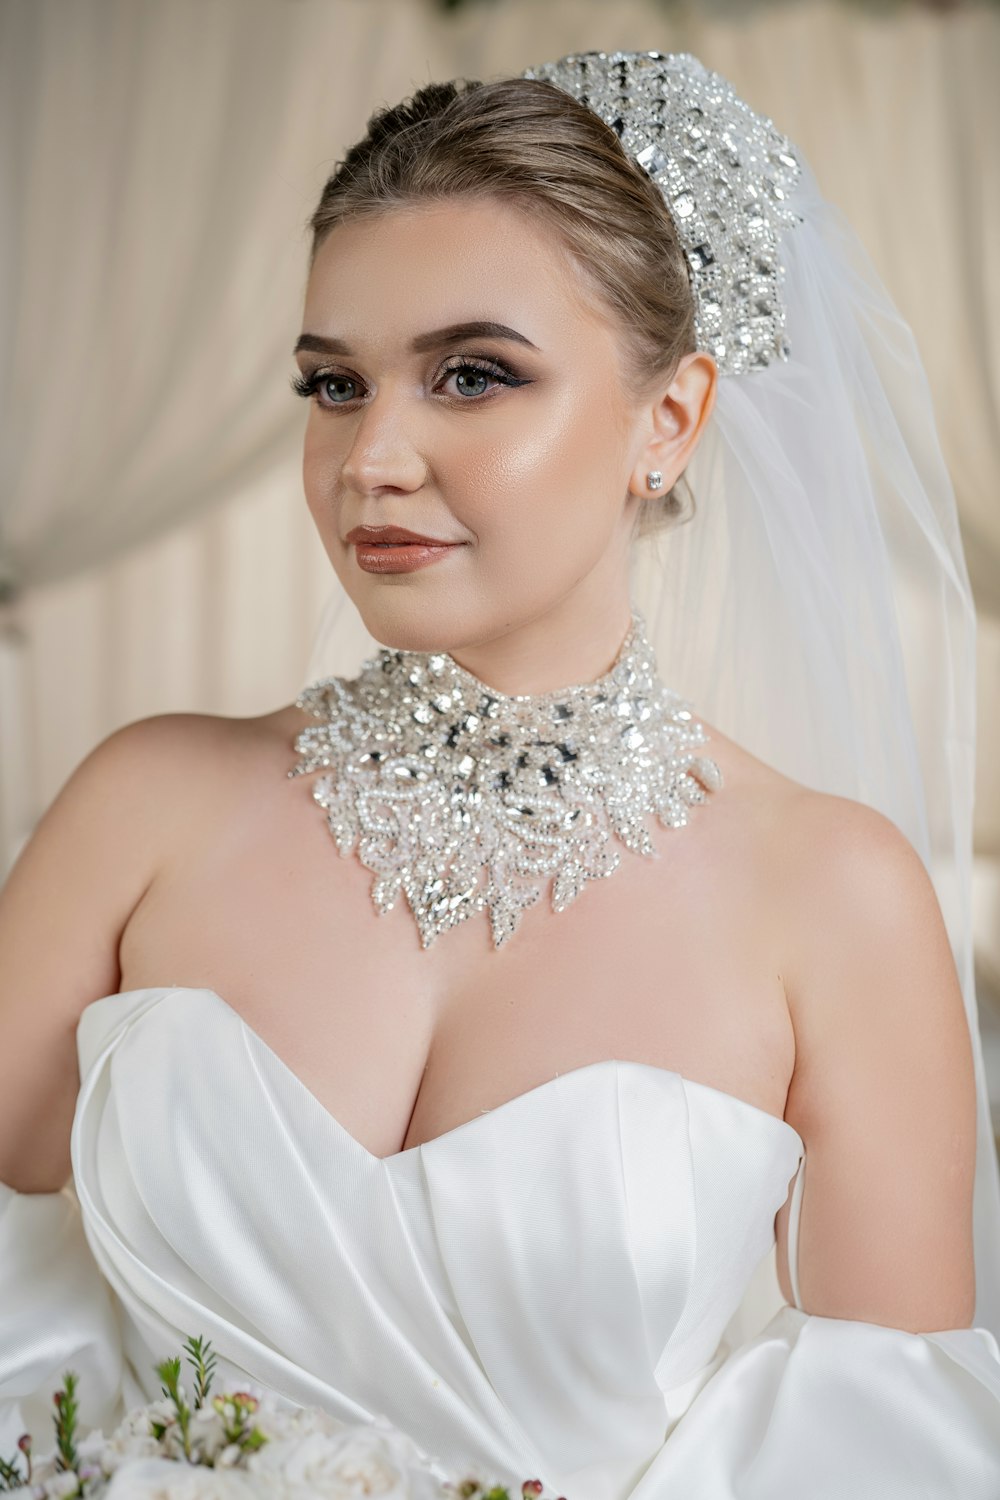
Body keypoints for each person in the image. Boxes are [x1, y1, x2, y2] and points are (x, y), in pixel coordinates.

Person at [2, 48, 1000, 1499]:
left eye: (472, 376)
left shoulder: (834, 896)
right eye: (333, 384)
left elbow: (889, 1441)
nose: (372, 458)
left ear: (669, 418)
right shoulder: (139, 806)